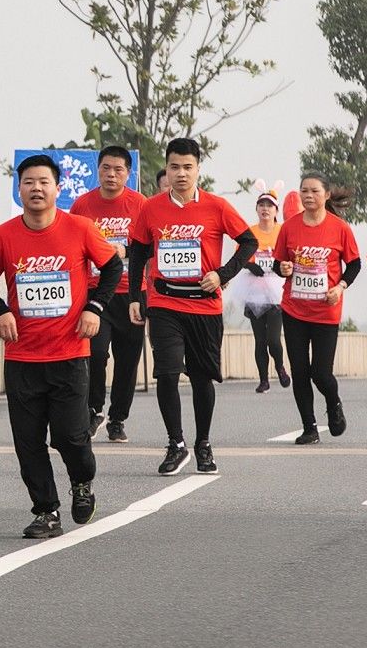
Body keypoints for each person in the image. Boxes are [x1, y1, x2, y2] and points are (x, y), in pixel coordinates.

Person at [0, 155, 121, 538]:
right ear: (18, 189)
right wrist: (0, 312)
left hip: (70, 354)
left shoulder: (80, 228)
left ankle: (82, 483)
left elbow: (113, 267)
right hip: (22, 356)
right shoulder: (4, 236)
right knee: (29, 441)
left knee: (71, 437)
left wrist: (94, 306)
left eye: (43, 182)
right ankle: (46, 511)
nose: (36, 188)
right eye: (28, 182)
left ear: (58, 189)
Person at [127, 137, 257, 475]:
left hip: (204, 306)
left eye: (187, 167)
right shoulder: (150, 208)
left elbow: (249, 241)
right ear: (166, 170)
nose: (181, 174)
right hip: (165, 302)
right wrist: (135, 297)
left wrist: (222, 273)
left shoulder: (217, 206)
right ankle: (176, 443)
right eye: (174, 167)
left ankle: (203, 443)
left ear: (198, 169)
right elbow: (139, 252)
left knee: (201, 379)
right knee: (167, 372)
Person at [273, 173, 361, 444]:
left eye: (313, 191)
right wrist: (283, 268)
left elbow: (355, 264)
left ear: (326, 195)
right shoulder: (289, 227)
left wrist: (340, 287)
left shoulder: (340, 228)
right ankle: (309, 427)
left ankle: (333, 404)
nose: (308, 196)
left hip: (326, 311)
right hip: (294, 309)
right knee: (299, 371)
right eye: (303, 191)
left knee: (321, 373)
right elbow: (278, 263)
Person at [67, 146, 147, 440]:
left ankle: (118, 418)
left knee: (128, 360)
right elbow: (71, 245)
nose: (111, 175)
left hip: (131, 293)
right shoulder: (82, 205)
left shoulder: (140, 204)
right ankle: (94, 410)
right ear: (97, 170)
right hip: (95, 292)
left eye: (118, 170)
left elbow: (151, 246)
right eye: (106, 168)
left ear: (128, 173)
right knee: (96, 353)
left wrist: (124, 250)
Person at [231, 185, 291, 394]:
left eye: (270, 206)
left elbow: (290, 255)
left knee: (273, 339)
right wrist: (250, 265)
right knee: (259, 340)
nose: (265, 209)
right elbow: (240, 257)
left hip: (276, 289)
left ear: (276, 211)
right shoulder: (250, 232)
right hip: (254, 288)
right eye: (261, 205)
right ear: (257, 209)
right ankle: (263, 380)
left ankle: (280, 366)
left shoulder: (283, 231)